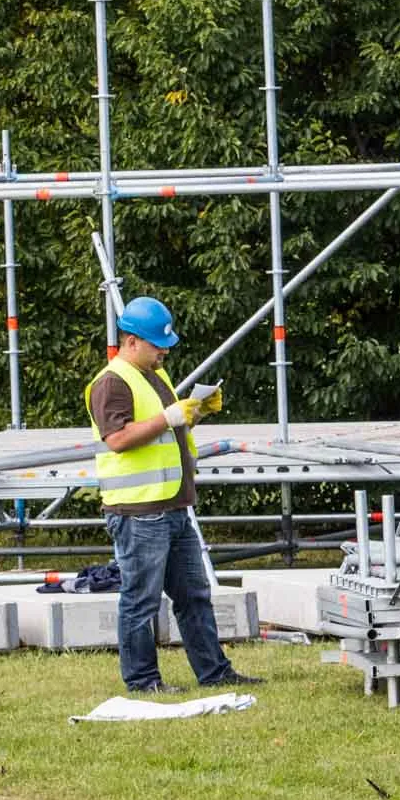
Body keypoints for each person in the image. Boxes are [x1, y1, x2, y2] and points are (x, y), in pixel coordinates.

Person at [85, 296, 261, 694]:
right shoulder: (111, 382)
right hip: (140, 511)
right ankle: (143, 680)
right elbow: (118, 439)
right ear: (131, 342)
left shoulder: (153, 374)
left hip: (173, 505)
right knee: (140, 602)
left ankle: (214, 672)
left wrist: (195, 413)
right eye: (156, 343)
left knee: (194, 595)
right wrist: (170, 417)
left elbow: (163, 433)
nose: (164, 350)